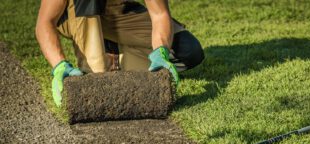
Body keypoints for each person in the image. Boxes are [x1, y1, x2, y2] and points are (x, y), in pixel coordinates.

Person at [36, 0, 204, 107]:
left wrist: (161, 51)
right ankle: (95, 70)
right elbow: (45, 22)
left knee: (188, 51)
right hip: (76, 11)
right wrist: (59, 65)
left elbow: (160, 15)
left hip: (118, 12)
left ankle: (113, 55)